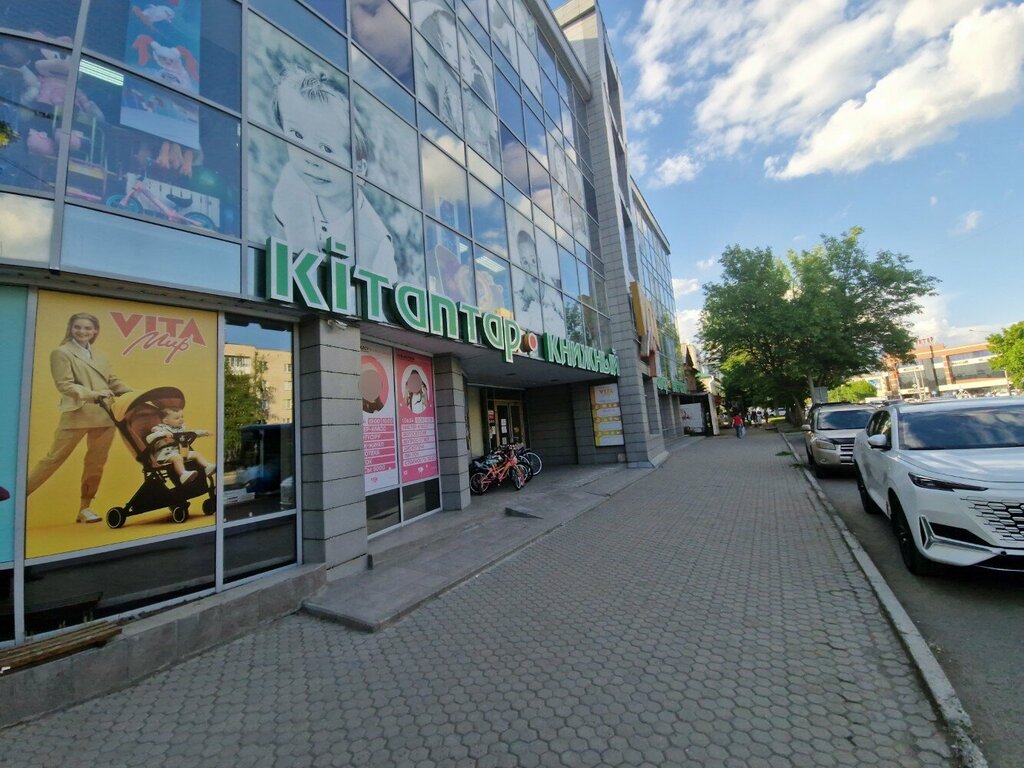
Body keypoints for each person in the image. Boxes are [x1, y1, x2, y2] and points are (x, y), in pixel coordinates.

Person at [27, 312, 132, 523]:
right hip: (77, 414)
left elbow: (113, 381)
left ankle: (85, 508)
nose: (82, 331)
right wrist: (93, 394)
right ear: (71, 328)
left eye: (87, 328)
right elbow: (64, 385)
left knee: (96, 463)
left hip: (104, 415)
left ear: (95, 331)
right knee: (52, 459)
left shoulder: (100, 355)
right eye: (77, 327)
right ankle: (17, 498)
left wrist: (136, 394)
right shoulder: (61, 352)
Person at [146, 406, 215, 483]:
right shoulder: (160, 429)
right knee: (177, 457)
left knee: (196, 454)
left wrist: (204, 433)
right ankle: (182, 474)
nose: (181, 419)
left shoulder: (181, 429)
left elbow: (192, 433)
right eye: (177, 418)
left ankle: (207, 467)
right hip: (166, 454)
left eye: (182, 417)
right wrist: (163, 434)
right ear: (166, 421)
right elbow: (149, 438)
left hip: (181, 452)